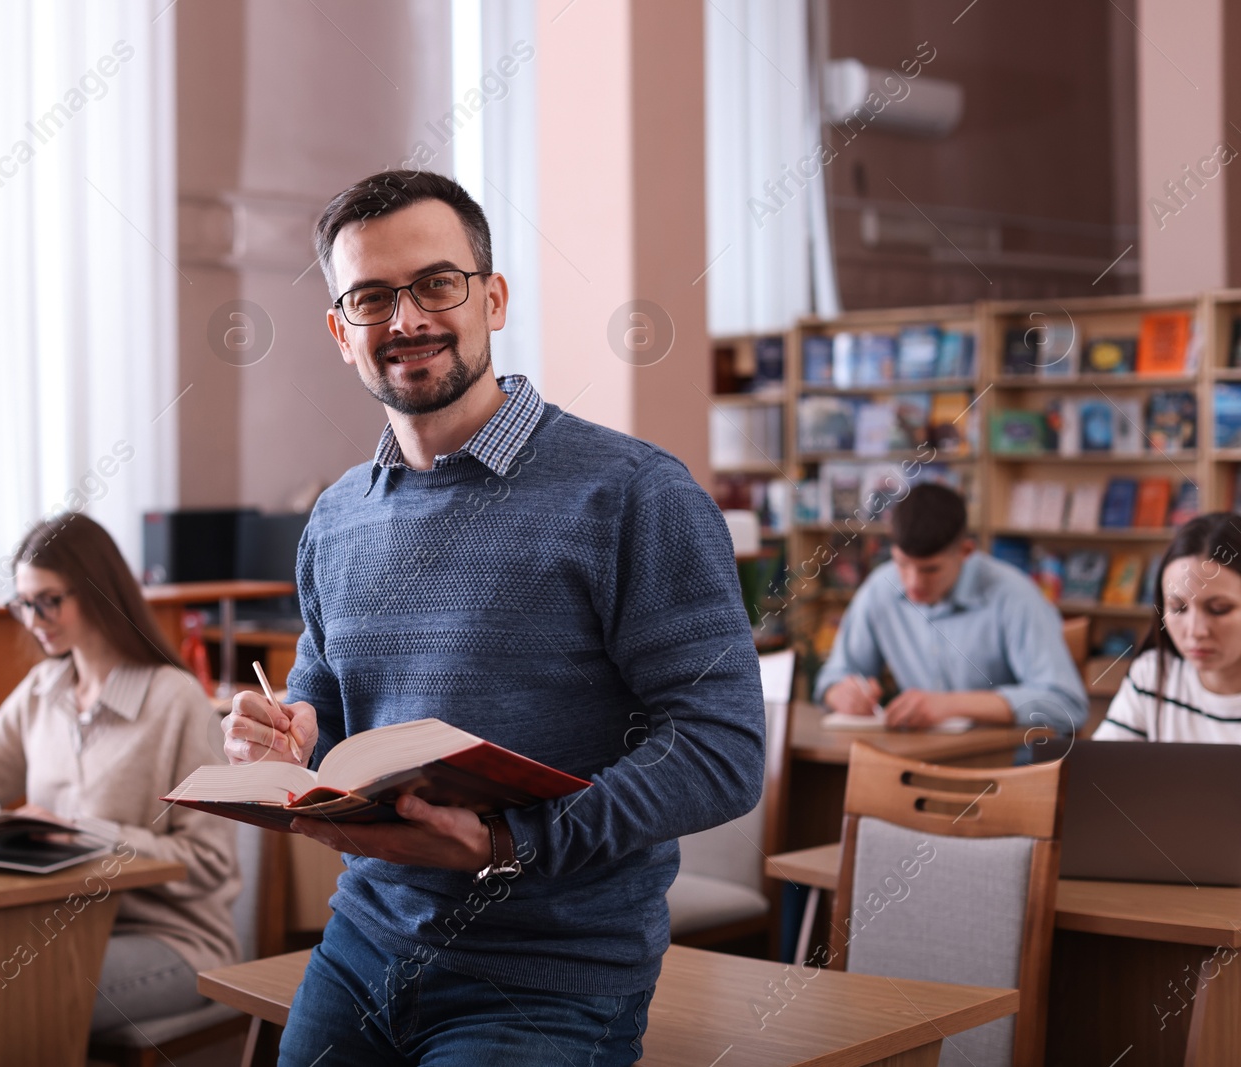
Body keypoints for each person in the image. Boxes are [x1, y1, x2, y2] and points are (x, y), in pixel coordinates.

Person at [221, 170, 765, 1066]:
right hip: (361, 951)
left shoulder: (634, 495)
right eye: (370, 298)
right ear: (339, 332)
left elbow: (722, 747)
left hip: (548, 976)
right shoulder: (337, 516)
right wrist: (290, 735)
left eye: (436, 283)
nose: (406, 320)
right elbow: (328, 700)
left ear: (492, 297)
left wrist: (515, 839)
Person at [0, 512, 240, 1033]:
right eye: (23, 603)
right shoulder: (45, 689)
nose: (32, 620)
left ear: (97, 591)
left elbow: (211, 862)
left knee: (4, 997)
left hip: (171, 940)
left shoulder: (175, 700)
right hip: (58, 926)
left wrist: (80, 835)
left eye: (48, 601)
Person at [814, 483, 1086, 736]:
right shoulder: (880, 589)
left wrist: (952, 705)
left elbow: (1066, 706)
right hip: (917, 763)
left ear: (965, 552)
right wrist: (839, 693)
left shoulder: (1015, 596)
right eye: (902, 564)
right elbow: (834, 676)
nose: (913, 583)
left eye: (930, 569)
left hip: (1005, 770)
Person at [1096, 512, 1241, 742]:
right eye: (1178, 608)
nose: (1195, 631)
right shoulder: (1153, 675)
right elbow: (1099, 770)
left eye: (1219, 609)